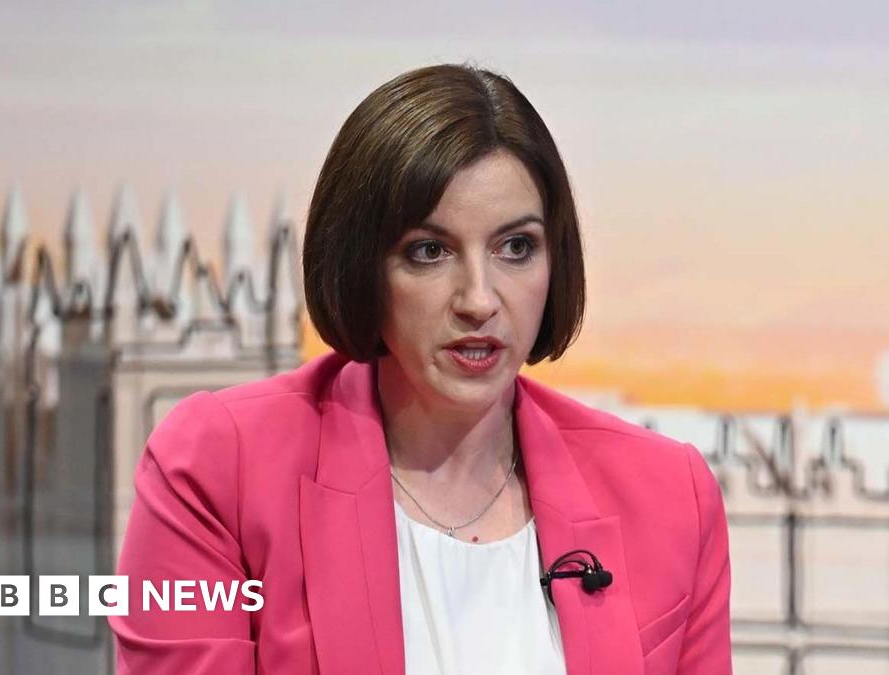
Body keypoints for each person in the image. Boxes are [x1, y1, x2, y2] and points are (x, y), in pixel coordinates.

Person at [109, 63, 731, 675]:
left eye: (516, 247)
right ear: (361, 266)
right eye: (429, 252)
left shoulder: (670, 494)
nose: (479, 300)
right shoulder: (218, 469)